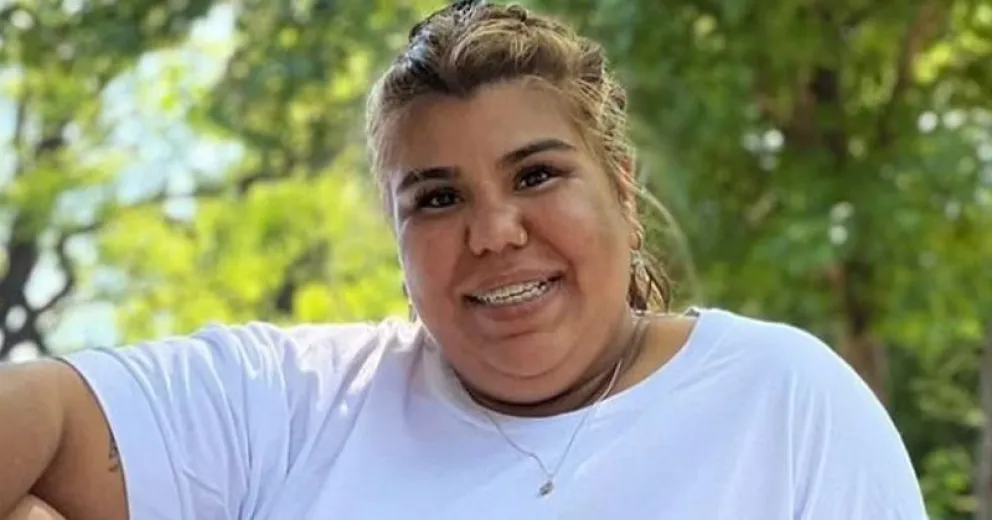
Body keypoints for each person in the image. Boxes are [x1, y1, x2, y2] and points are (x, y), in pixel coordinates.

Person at [0, 1, 929, 519]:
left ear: (621, 188)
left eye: (536, 175)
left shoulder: (782, 402)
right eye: (437, 198)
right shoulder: (294, 402)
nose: (493, 232)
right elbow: (36, 415)